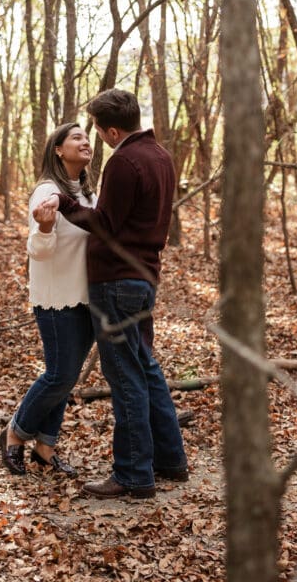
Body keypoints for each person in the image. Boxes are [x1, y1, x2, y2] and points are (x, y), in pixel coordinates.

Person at [34, 88, 188, 499]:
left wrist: (65, 205)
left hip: (117, 281)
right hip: (144, 277)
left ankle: (134, 473)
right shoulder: (161, 156)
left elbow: (106, 224)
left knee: (125, 377)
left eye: (98, 131)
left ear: (113, 130)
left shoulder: (124, 162)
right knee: (146, 367)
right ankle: (171, 460)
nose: (96, 138)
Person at [0, 122, 96, 478]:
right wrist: (42, 228)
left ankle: (45, 447)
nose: (85, 142)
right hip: (57, 297)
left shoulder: (87, 193)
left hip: (87, 298)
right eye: (76, 138)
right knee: (59, 375)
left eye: (87, 137)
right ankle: (13, 433)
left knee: (67, 379)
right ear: (58, 149)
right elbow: (38, 253)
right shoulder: (45, 191)